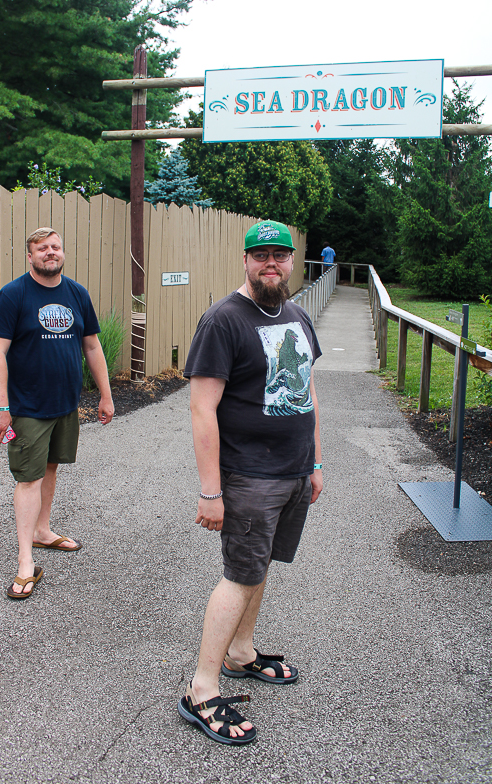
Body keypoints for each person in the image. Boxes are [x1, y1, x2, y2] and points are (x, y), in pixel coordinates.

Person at [178, 219, 323, 745]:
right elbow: (201, 409)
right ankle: (201, 689)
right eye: (260, 255)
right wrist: (210, 490)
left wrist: (316, 463)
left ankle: (241, 654)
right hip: (248, 476)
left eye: (279, 255)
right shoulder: (222, 321)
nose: (271, 264)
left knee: (260, 566)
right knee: (240, 575)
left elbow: (307, 392)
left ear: (291, 263)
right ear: (245, 260)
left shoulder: (298, 317)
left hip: (292, 472)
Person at [0, 227, 115, 600]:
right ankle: (26, 561)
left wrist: (105, 396)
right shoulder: (13, 295)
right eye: (42, 248)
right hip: (26, 407)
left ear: (63, 252)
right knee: (28, 479)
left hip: (64, 404)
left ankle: (43, 531)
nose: (50, 253)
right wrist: (1, 408)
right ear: (30, 256)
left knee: (51, 467)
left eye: (55, 247)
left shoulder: (77, 293)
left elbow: (91, 346)